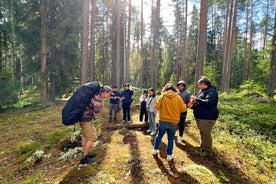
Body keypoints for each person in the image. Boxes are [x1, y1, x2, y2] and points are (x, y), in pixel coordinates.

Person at [75, 83, 113, 165]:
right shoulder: (98, 99)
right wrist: (101, 106)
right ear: (105, 92)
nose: (109, 96)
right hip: (86, 119)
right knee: (91, 137)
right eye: (109, 94)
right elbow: (96, 111)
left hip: (82, 117)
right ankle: (84, 158)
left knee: (85, 136)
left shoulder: (95, 95)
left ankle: (85, 153)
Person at [152, 83, 186, 161]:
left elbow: (156, 107)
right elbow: (184, 109)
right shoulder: (178, 97)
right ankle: (169, 155)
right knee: (170, 139)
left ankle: (155, 150)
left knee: (159, 136)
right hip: (174, 122)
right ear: (174, 89)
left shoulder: (163, 96)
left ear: (165, 89)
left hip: (163, 120)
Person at [191, 76, 219, 157]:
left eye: (199, 84)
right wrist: (193, 106)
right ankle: (203, 146)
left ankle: (207, 150)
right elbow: (200, 103)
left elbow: (209, 103)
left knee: (206, 133)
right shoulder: (203, 91)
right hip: (201, 116)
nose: (198, 86)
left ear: (203, 84)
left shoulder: (211, 92)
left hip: (207, 117)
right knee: (202, 132)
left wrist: (197, 99)